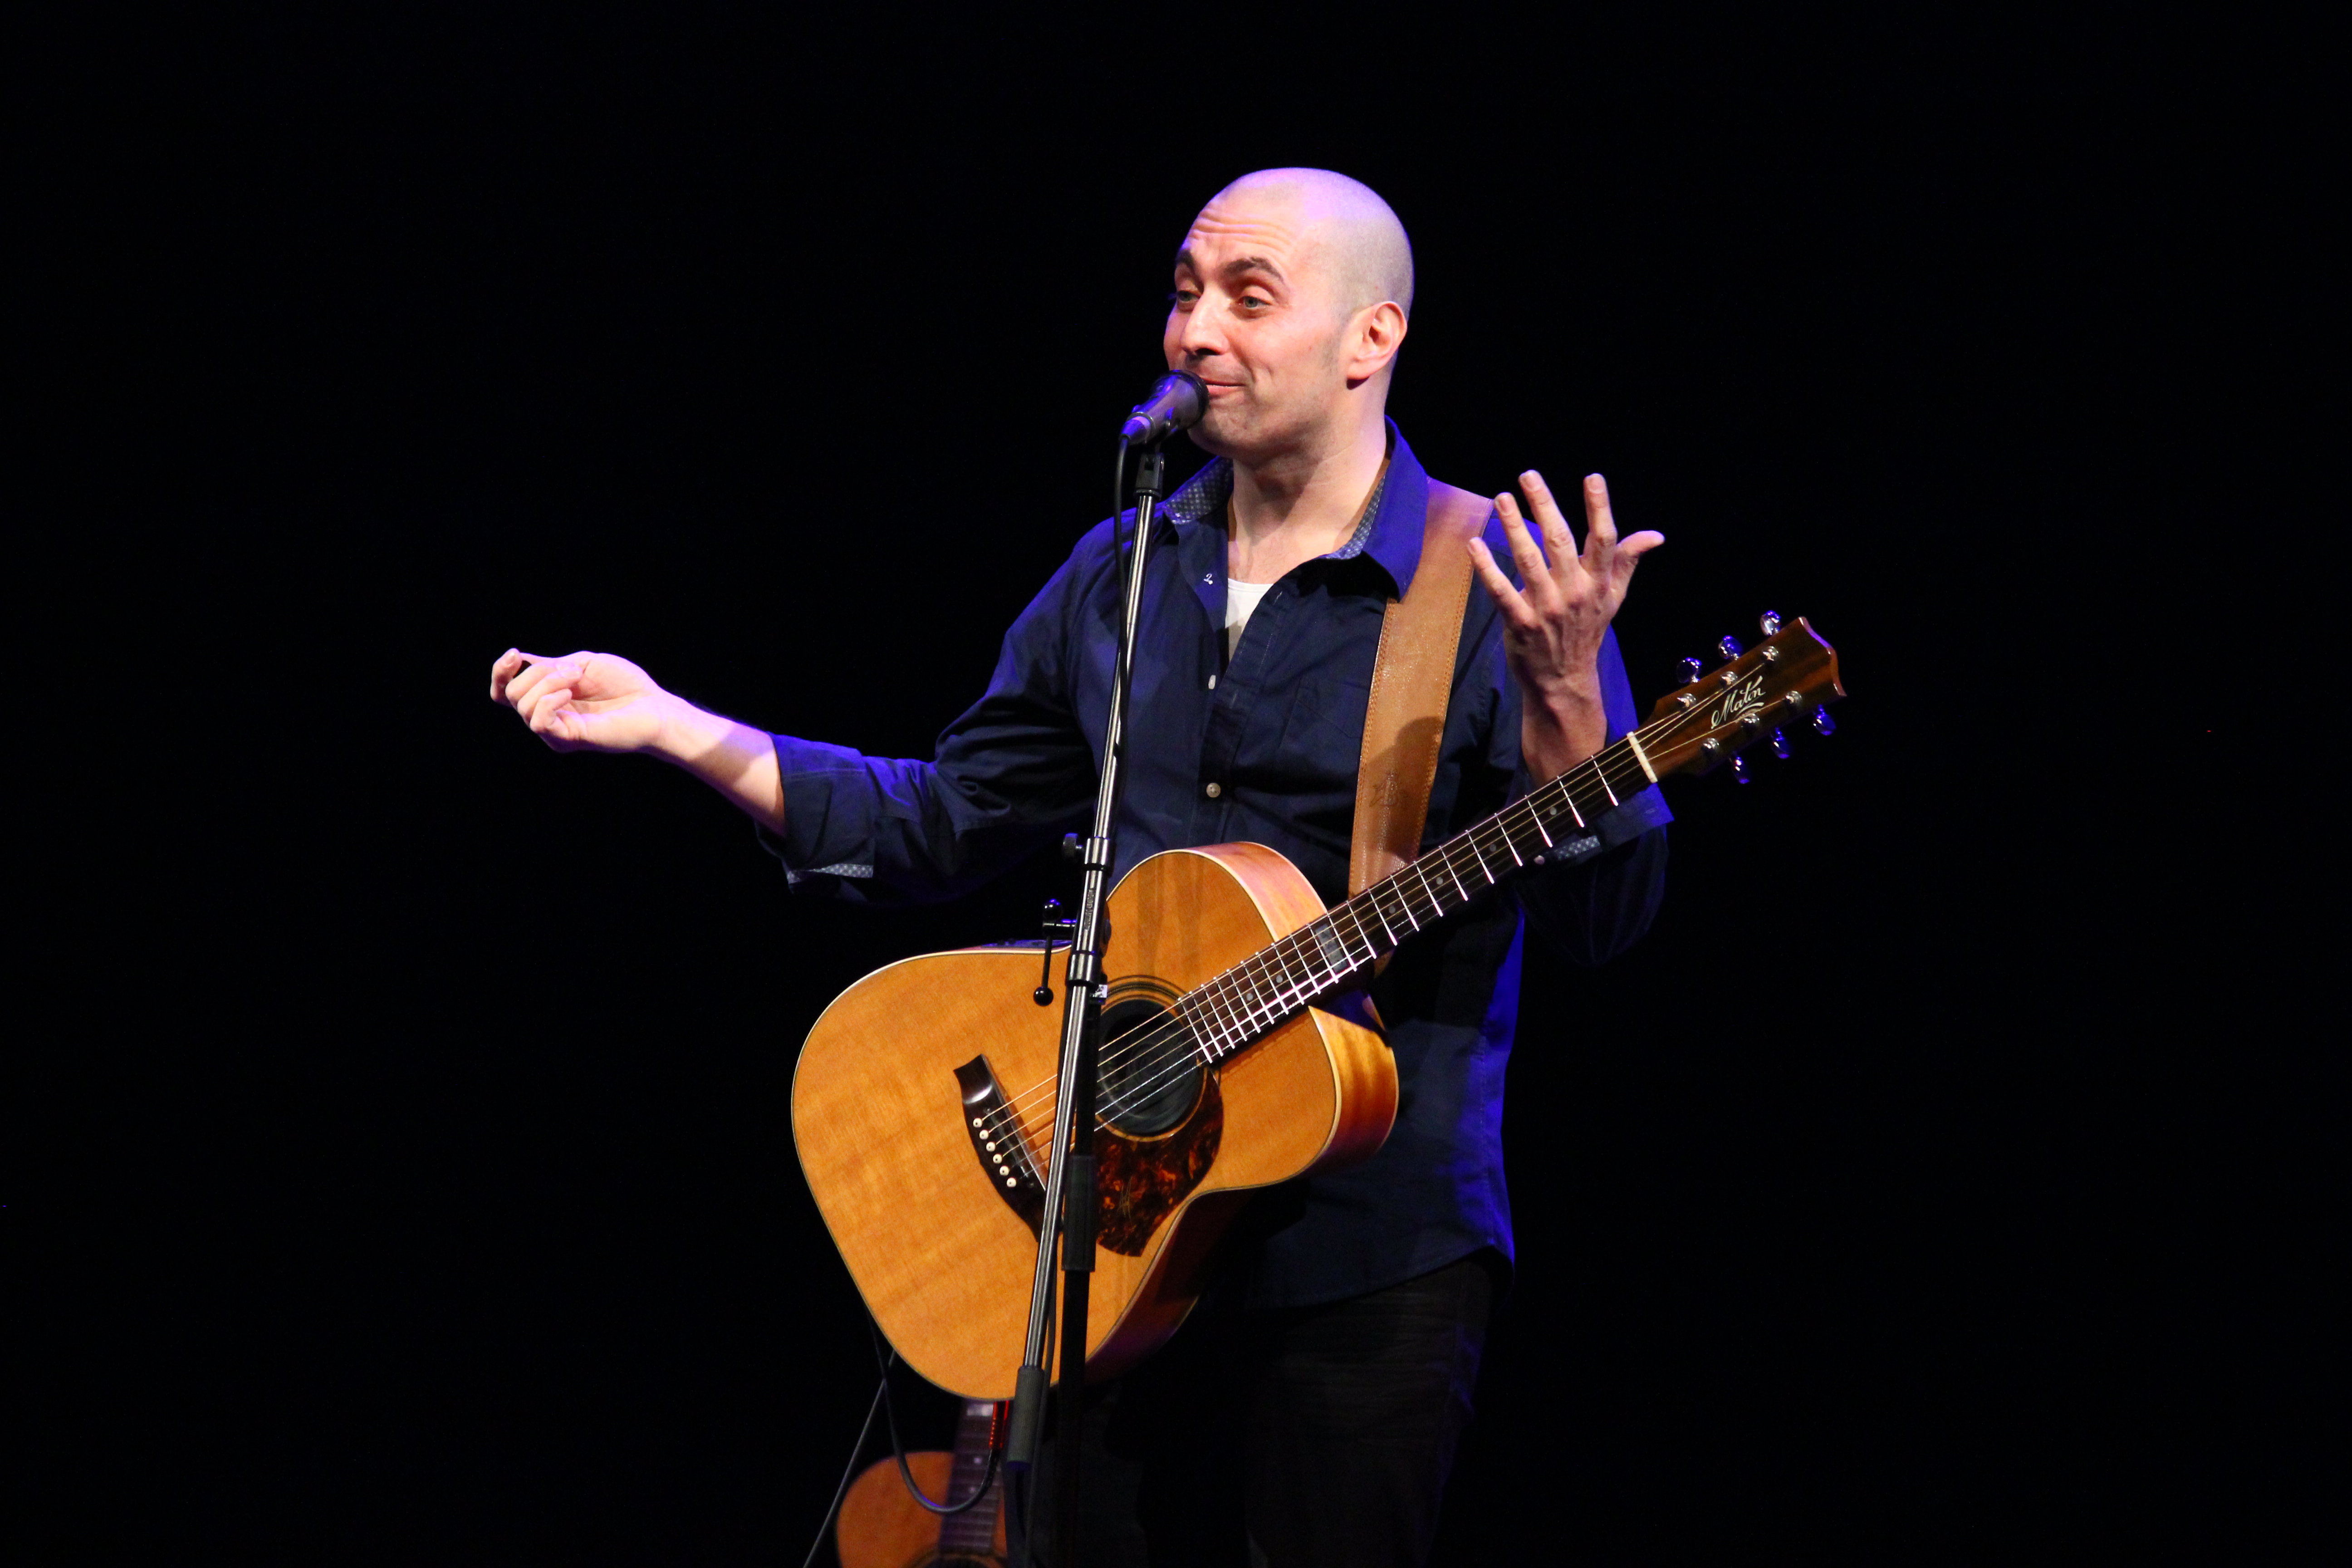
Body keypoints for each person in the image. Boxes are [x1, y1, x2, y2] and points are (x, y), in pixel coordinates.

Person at [491, 168, 1669, 1566]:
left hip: (1364, 1257)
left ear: (1374, 336)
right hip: (1101, 1242)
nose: (1195, 331)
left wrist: (1569, 710)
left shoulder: (1493, 588)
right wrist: (678, 728)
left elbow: (1605, 923)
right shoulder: (1123, 570)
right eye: (1185, 290)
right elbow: (942, 825)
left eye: (1249, 297)